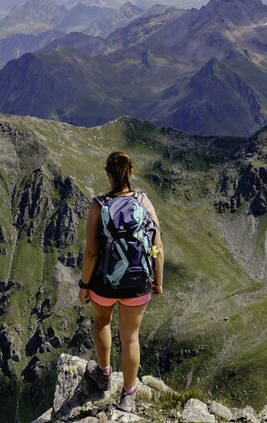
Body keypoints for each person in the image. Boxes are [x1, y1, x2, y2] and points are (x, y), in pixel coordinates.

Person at [78, 151, 164, 413]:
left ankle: (103, 374)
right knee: (130, 338)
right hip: (138, 282)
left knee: (102, 322)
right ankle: (128, 395)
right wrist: (157, 281)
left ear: (108, 173)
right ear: (131, 172)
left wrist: (84, 286)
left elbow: (91, 252)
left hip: (104, 283)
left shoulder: (98, 205)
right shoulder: (143, 201)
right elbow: (157, 246)